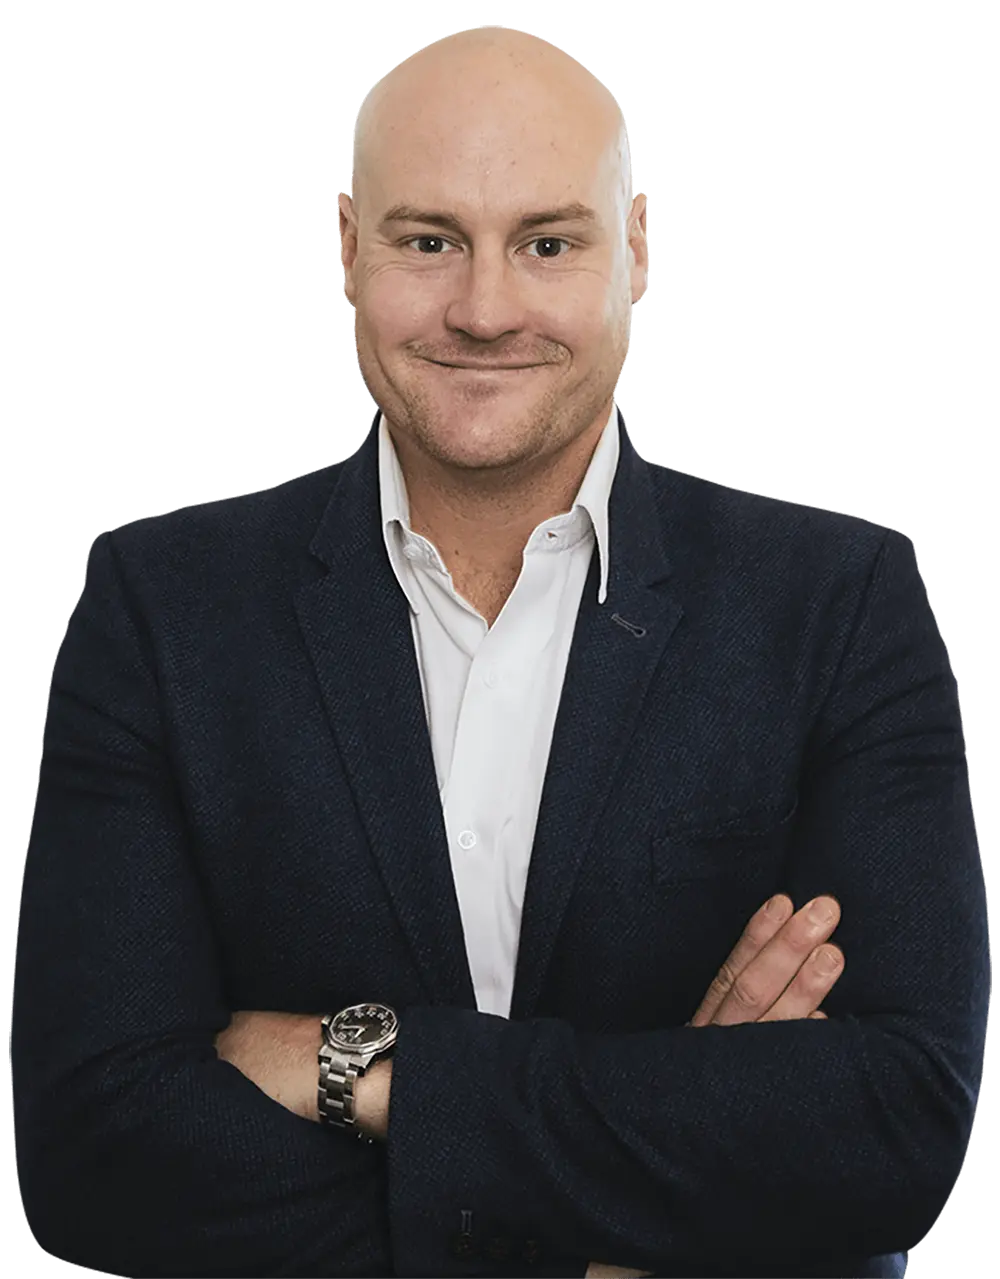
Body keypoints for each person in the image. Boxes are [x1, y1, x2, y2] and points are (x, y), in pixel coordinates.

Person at [10, 23, 986, 1279]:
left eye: (547, 243)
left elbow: (896, 1126)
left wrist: (353, 1066)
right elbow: (91, 1151)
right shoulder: (159, 605)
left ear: (635, 248)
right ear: (346, 248)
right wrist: (642, 1200)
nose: (483, 309)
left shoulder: (842, 601)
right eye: (428, 242)